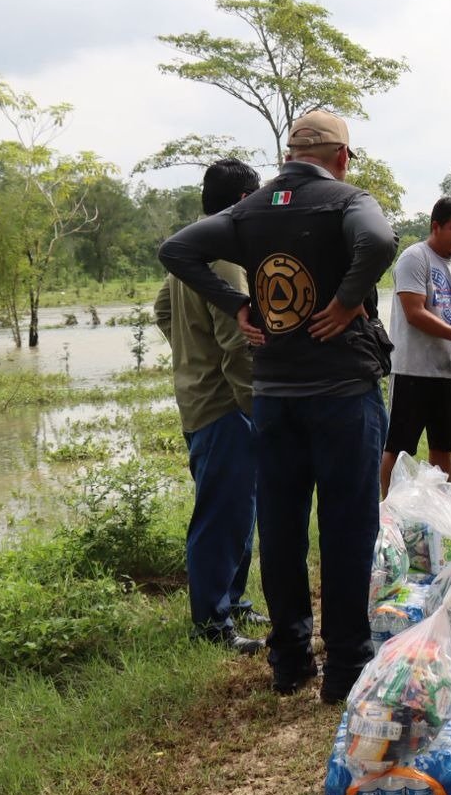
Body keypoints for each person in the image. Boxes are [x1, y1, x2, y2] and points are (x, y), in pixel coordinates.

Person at [159, 110, 397, 704]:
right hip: (343, 394)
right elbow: (381, 240)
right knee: (347, 528)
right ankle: (344, 666)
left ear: (288, 155)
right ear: (342, 156)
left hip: (273, 400)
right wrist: (345, 303)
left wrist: (236, 301)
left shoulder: (249, 210)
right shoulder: (346, 201)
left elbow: (176, 249)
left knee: (282, 529)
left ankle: (290, 659)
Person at [154, 158, 268, 655]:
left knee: (238, 510)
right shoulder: (225, 262)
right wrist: (256, 411)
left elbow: (162, 309)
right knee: (220, 516)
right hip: (225, 407)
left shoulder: (194, 253)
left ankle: (232, 601)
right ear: (242, 201)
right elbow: (238, 346)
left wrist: (187, 353)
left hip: (199, 399)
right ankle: (211, 624)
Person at [380, 197, 451, 493]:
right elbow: (415, 313)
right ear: (436, 226)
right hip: (412, 371)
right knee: (398, 447)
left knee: (443, 446)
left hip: (448, 372)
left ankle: (442, 510)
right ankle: (389, 514)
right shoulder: (414, 258)